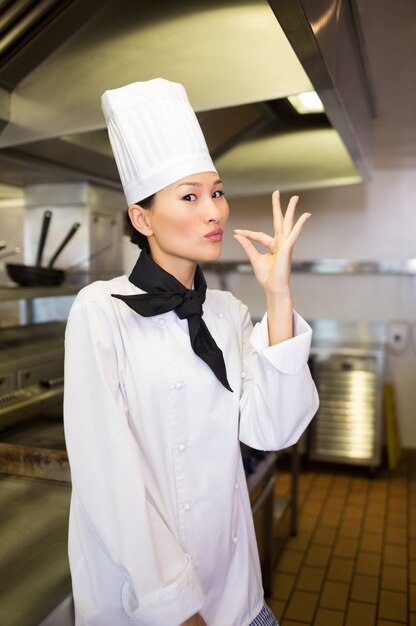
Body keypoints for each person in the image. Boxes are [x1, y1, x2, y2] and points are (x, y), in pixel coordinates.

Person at [63, 78, 319, 626]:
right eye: (190, 196)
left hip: (235, 593)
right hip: (145, 606)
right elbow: (106, 476)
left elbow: (272, 431)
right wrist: (174, 608)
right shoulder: (100, 310)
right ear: (142, 218)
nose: (215, 212)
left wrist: (278, 294)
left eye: (217, 192)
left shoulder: (226, 311)